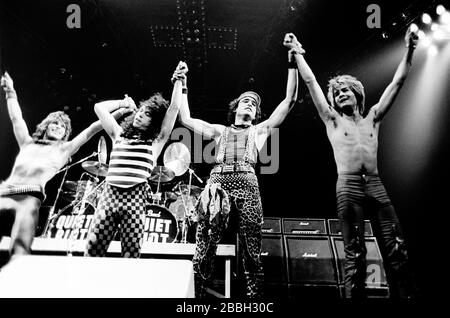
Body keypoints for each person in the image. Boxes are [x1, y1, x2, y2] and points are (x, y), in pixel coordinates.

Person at [292, 26, 419, 298]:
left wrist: (409, 48)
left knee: (397, 250)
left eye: (344, 90)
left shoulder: (373, 116)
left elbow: (396, 83)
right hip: (348, 187)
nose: (340, 95)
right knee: (356, 254)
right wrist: (298, 53)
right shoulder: (332, 120)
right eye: (336, 93)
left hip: (375, 185)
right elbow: (312, 82)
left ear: (357, 93)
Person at [173, 33, 299, 298]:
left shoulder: (261, 131)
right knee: (205, 243)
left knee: (252, 246)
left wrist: (293, 62)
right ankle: (196, 296)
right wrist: (182, 83)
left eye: (255, 104)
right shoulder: (220, 131)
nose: (251, 104)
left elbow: (289, 101)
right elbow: (185, 118)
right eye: (246, 101)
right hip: (217, 182)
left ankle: (253, 299)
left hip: (247, 182)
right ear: (236, 107)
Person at [0, 71, 105, 260]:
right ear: (46, 126)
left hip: (29, 198)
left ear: (65, 133)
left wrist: (121, 109)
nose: (57, 127)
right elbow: (17, 118)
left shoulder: (64, 149)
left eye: (62, 126)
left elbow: (91, 130)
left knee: (20, 249)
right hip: (3, 193)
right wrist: (11, 92)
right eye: (54, 124)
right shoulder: (27, 142)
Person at [84, 62, 185, 258]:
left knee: (131, 252)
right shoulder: (119, 134)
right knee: (93, 249)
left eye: (147, 114)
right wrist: (123, 105)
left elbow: (173, 109)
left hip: (135, 197)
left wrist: (179, 81)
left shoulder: (155, 142)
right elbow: (99, 108)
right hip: (109, 195)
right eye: (140, 111)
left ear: (154, 121)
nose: (140, 115)